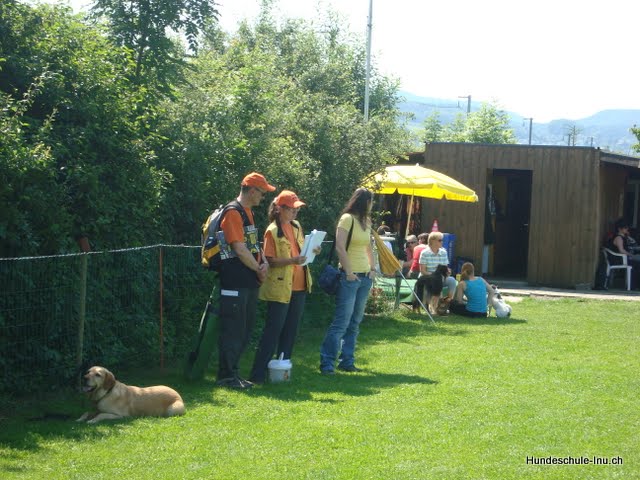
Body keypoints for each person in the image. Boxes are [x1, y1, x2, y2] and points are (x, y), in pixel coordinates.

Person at [249, 190, 317, 384]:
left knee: (290, 331)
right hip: (280, 288)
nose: (295, 212)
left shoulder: (296, 226)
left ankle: (282, 372)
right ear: (279, 209)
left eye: (297, 209)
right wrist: (292, 260)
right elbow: (269, 260)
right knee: (273, 331)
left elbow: (303, 252)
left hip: (300, 285)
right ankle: (258, 375)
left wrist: (314, 250)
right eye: (292, 209)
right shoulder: (271, 230)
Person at [216, 172, 275, 389]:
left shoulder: (247, 212)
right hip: (234, 282)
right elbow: (239, 248)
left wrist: (264, 263)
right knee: (233, 331)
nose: (263, 197)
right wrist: (259, 268)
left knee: (244, 330)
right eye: (262, 192)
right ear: (251, 191)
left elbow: (253, 244)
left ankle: (234, 374)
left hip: (248, 282)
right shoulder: (233, 212)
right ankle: (226, 377)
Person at [320, 188, 376, 375]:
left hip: (365, 276)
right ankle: (327, 363)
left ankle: (347, 361)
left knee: (355, 322)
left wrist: (373, 268)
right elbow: (340, 247)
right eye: (371, 201)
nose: (372, 205)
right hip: (349, 277)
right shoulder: (347, 219)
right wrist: (349, 272)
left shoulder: (367, 221)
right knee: (341, 322)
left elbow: (369, 247)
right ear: (365, 202)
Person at [418, 231, 456, 299]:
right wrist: (435, 276)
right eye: (440, 240)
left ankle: (449, 300)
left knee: (452, 280)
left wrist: (447, 272)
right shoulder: (424, 253)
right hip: (427, 277)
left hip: (440, 278)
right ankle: (436, 301)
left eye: (442, 240)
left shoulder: (444, 252)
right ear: (433, 241)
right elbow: (423, 271)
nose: (442, 242)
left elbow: (445, 269)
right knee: (437, 280)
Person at [607, 218, 640, 288]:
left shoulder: (624, 237)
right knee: (637, 262)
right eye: (625, 228)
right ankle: (634, 285)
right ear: (619, 229)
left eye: (627, 227)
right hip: (619, 259)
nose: (627, 229)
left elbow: (631, 244)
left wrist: (628, 236)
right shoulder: (618, 238)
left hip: (624, 258)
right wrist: (632, 255)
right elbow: (621, 250)